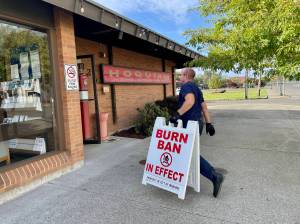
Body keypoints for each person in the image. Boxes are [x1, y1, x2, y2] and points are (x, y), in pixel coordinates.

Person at [170, 68, 224, 198]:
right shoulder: (197, 89)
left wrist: (177, 115)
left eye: (181, 74)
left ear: (185, 75)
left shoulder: (186, 86)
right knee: (186, 152)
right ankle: (181, 177)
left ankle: (214, 176)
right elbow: (204, 107)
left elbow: (190, 101)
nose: (179, 76)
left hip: (189, 125)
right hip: (197, 123)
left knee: (189, 153)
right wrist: (209, 123)